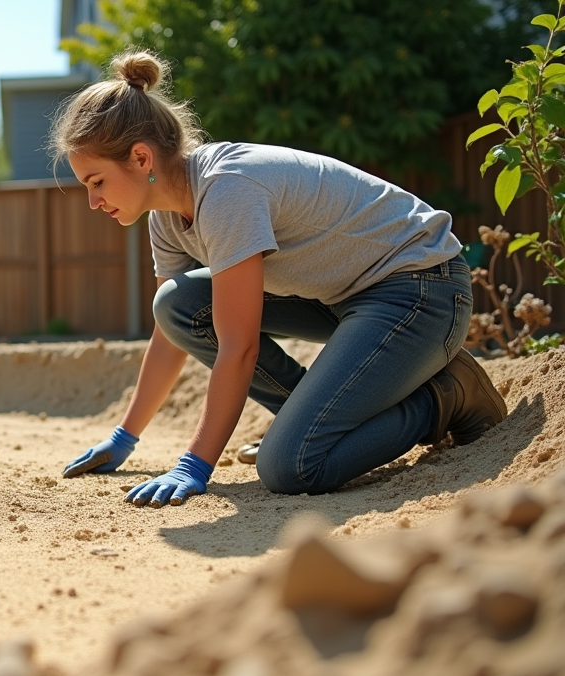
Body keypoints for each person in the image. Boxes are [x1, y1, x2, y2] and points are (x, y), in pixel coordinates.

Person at [57, 50, 507, 507]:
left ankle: (445, 395)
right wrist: (125, 436)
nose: (93, 201)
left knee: (291, 466)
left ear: (139, 157)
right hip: (343, 298)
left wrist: (195, 463)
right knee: (178, 305)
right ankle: (313, 422)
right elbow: (172, 332)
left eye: (96, 182)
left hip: (421, 288)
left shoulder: (227, 190)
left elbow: (240, 347)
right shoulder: (168, 218)